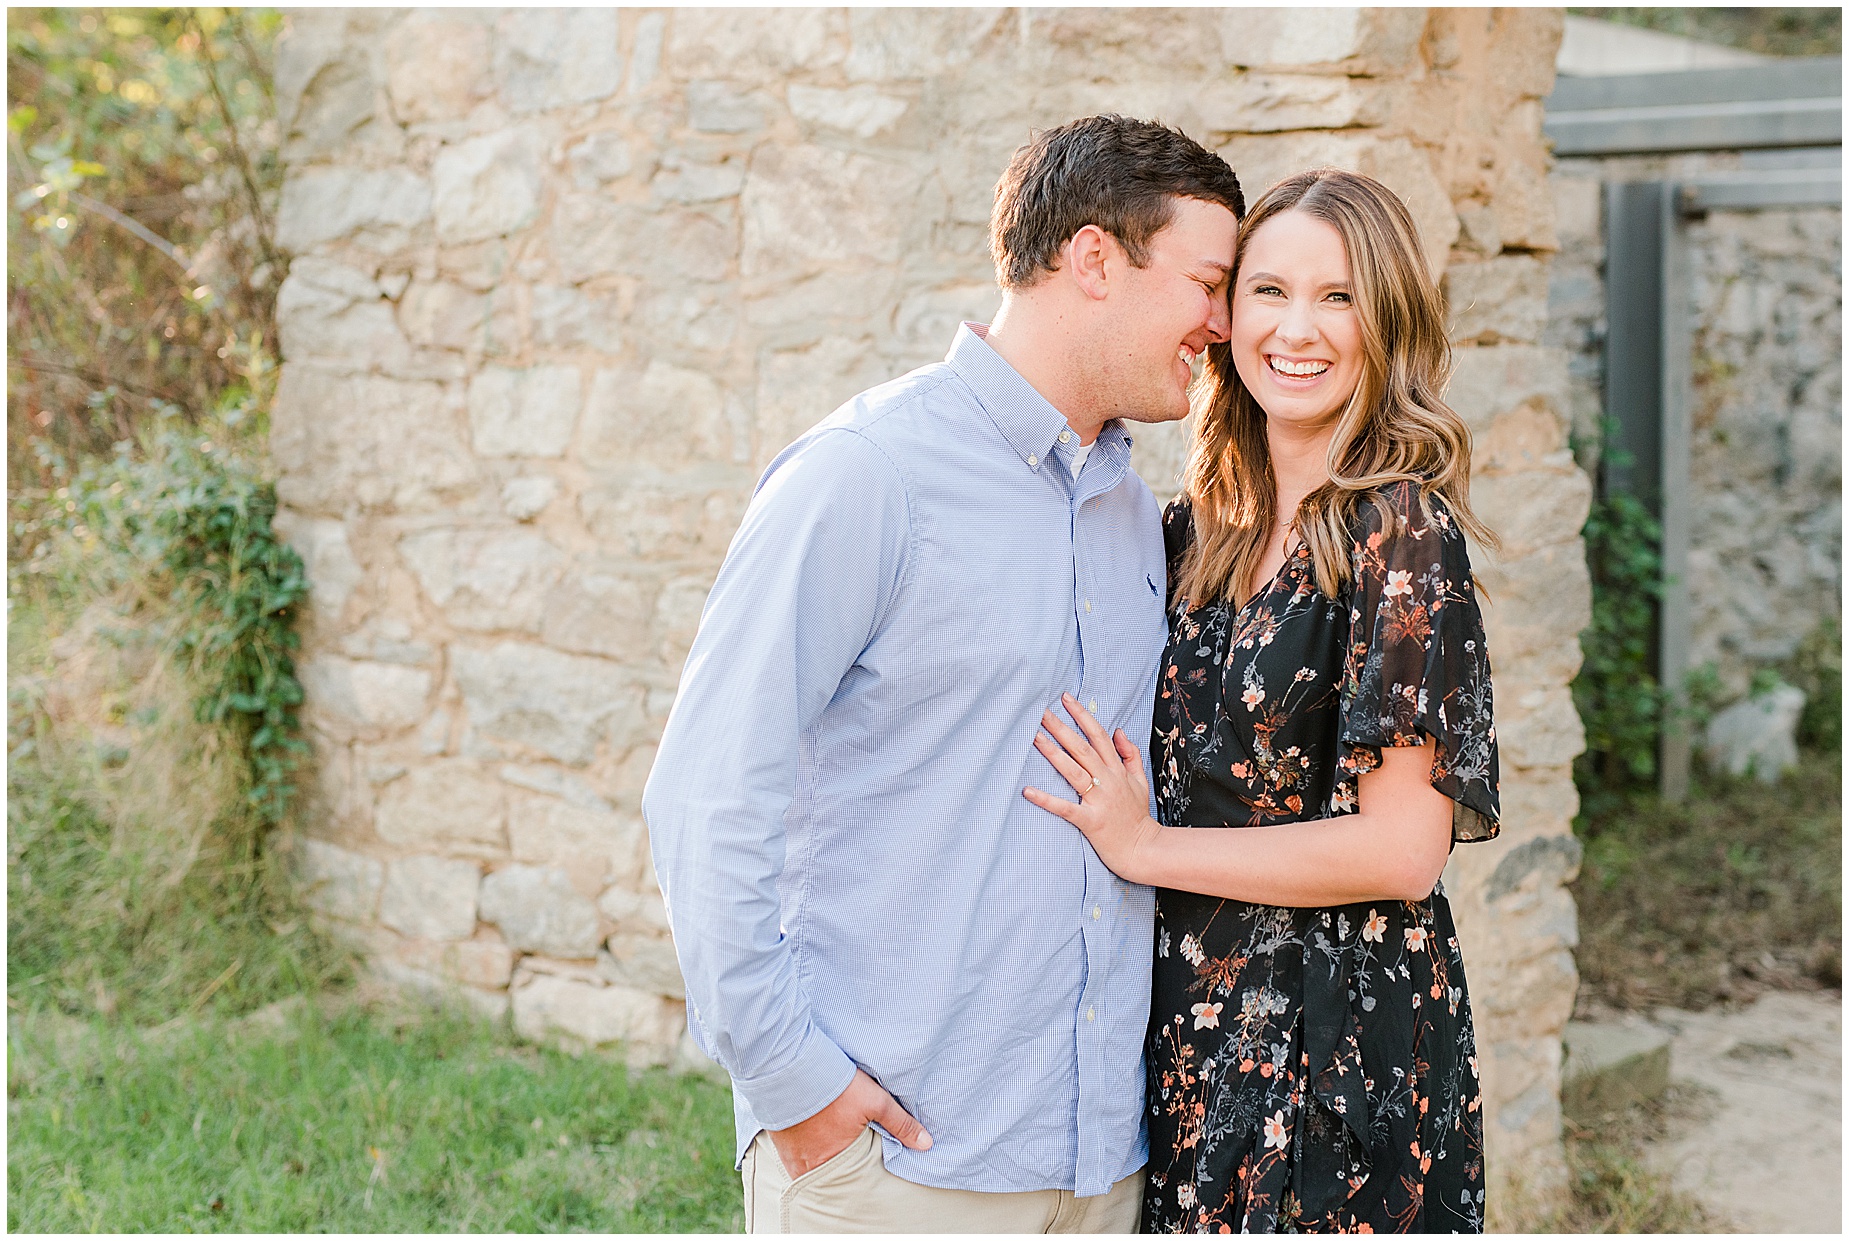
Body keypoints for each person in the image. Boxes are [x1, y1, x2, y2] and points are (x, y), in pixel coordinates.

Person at [643, 115, 1243, 1233]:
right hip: (897, 1164)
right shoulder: (866, 475)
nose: (1222, 321)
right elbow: (706, 793)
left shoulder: (1128, 505)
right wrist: (794, 1084)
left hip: (1100, 1162)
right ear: (1095, 260)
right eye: (1207, 281)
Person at [1025, 168, 1501, 1233]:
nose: (1298, 329)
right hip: (1191, 1031)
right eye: (1267, 291)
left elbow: (1401, 849)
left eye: (1338, 297)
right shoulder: (1193, 532)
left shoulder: (1401, 530)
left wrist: (1141, 846)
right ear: (1226, 315)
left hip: (1341, 1045)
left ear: (1387, 322)